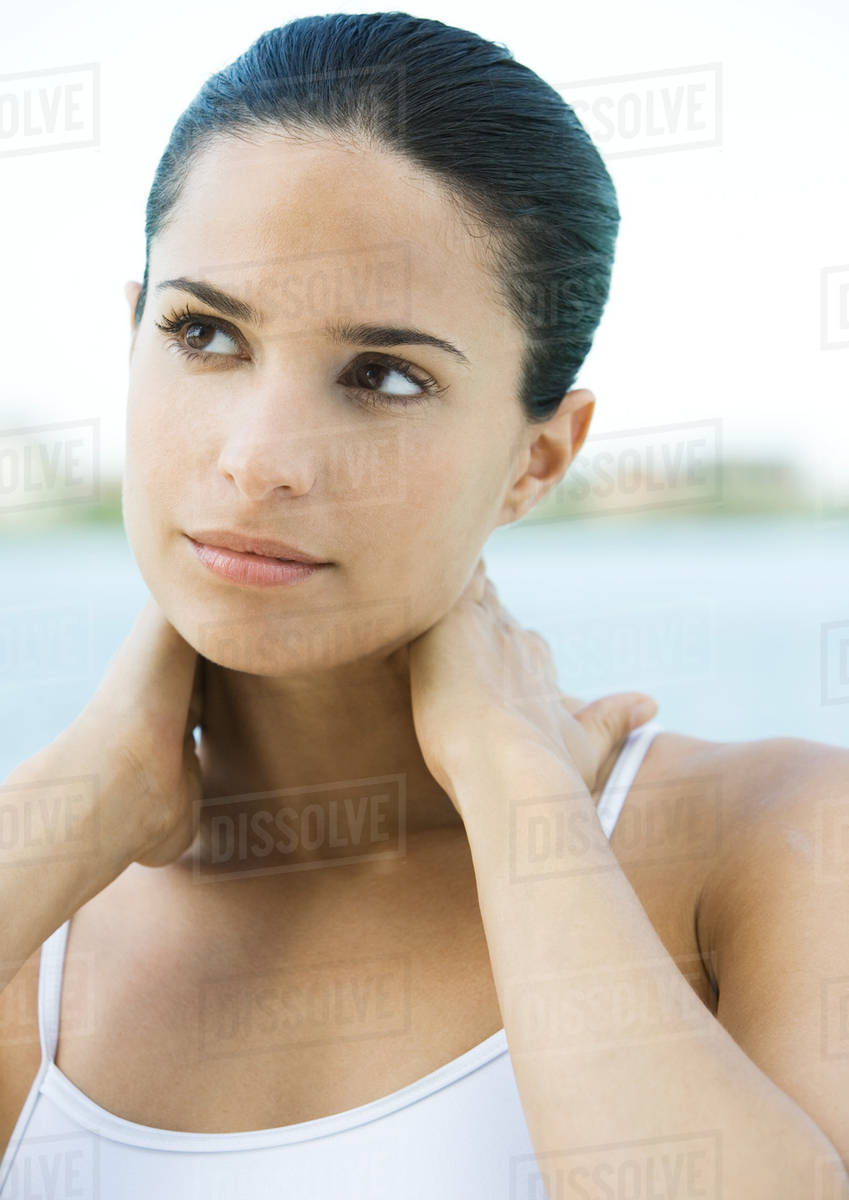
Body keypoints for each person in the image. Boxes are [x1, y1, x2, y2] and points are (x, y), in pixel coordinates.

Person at [0, 12, 846, 1198]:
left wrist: (517, 790)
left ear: (539, 459)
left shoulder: (773, 841)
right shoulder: (37, 914)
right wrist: (89, 795)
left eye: (385, 375)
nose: (259, 460)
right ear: (130, 333)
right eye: (204, 333)